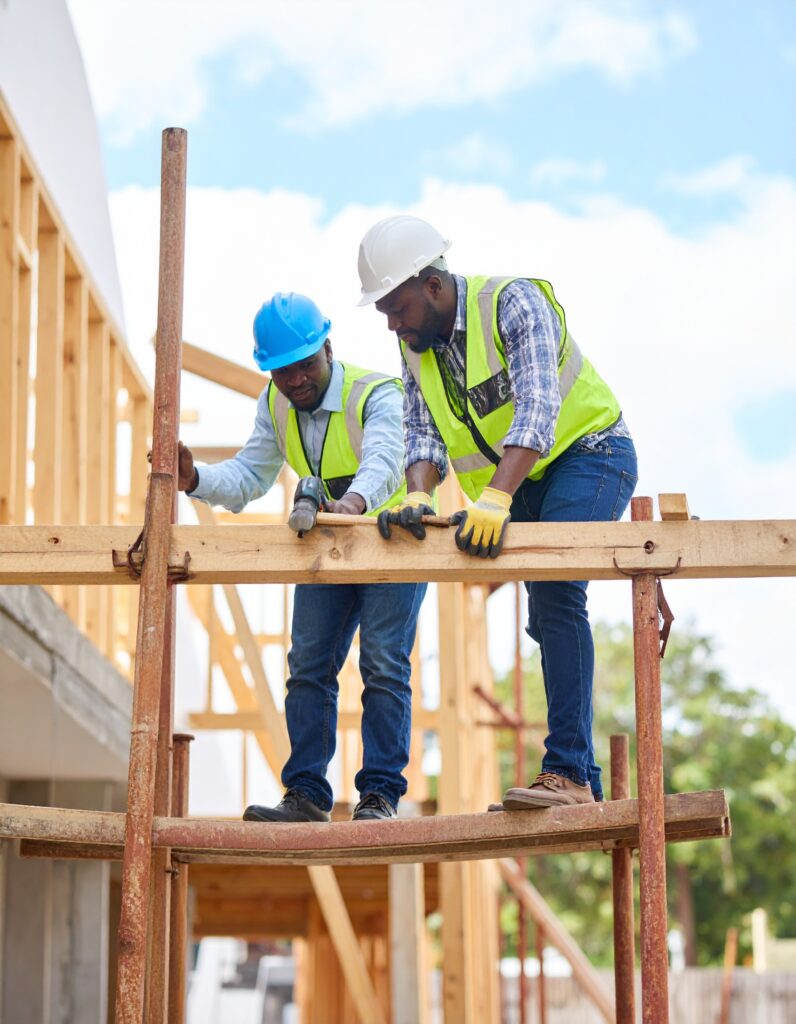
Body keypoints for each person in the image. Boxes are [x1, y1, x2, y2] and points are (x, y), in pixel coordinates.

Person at [357, 216, 638, 809]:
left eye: (398, 307)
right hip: (523, 482)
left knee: (557, 595)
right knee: (547, 613)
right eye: (383, 310)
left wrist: (495, 499)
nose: (392, 321)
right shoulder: (416, 346)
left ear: (432, 285)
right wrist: (418, 494)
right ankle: (581, 778)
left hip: (589, 452)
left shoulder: (513, 303)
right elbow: (422, 432)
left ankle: (567, 773)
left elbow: (537, 406)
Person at [179, 291, 426, 822]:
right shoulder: (275, 404)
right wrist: (195, 478)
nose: (295, 382)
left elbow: (386, 459)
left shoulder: (375, 392)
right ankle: (306, 794)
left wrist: (351, 505)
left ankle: (379, 796)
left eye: (304, 367)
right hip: (327, 551)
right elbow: (249, 476)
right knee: (308, 668)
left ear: (328, 348)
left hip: (392, 541)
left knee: (383, 664)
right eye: (281, 373)